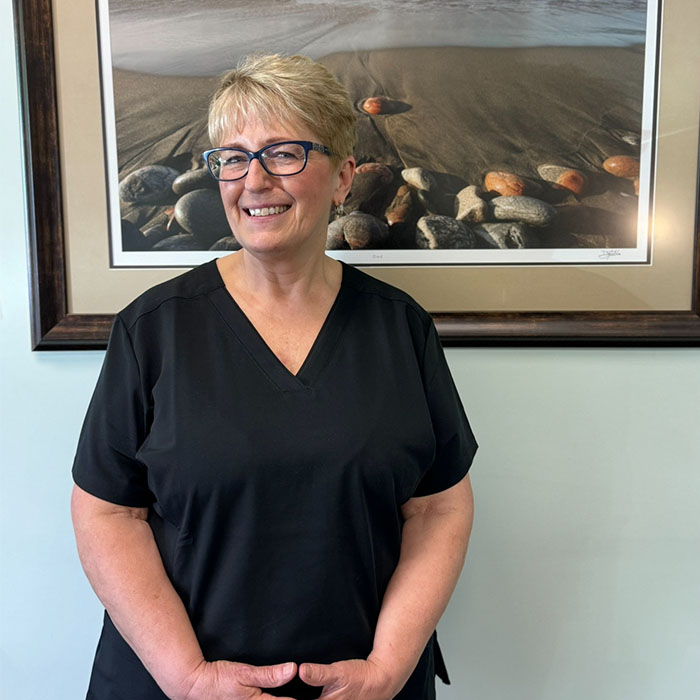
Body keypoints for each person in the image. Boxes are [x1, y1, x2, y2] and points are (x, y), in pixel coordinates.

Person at [71, 53, 477, 700]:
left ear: (344, 177)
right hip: (175, 684)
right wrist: (189, 678)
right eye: (232, 158)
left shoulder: (401, 329)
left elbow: (438, 506)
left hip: (363, 686)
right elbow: (107, 511)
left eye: (284, 152)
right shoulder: (152, 330)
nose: (253, 180)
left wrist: (389, 669)